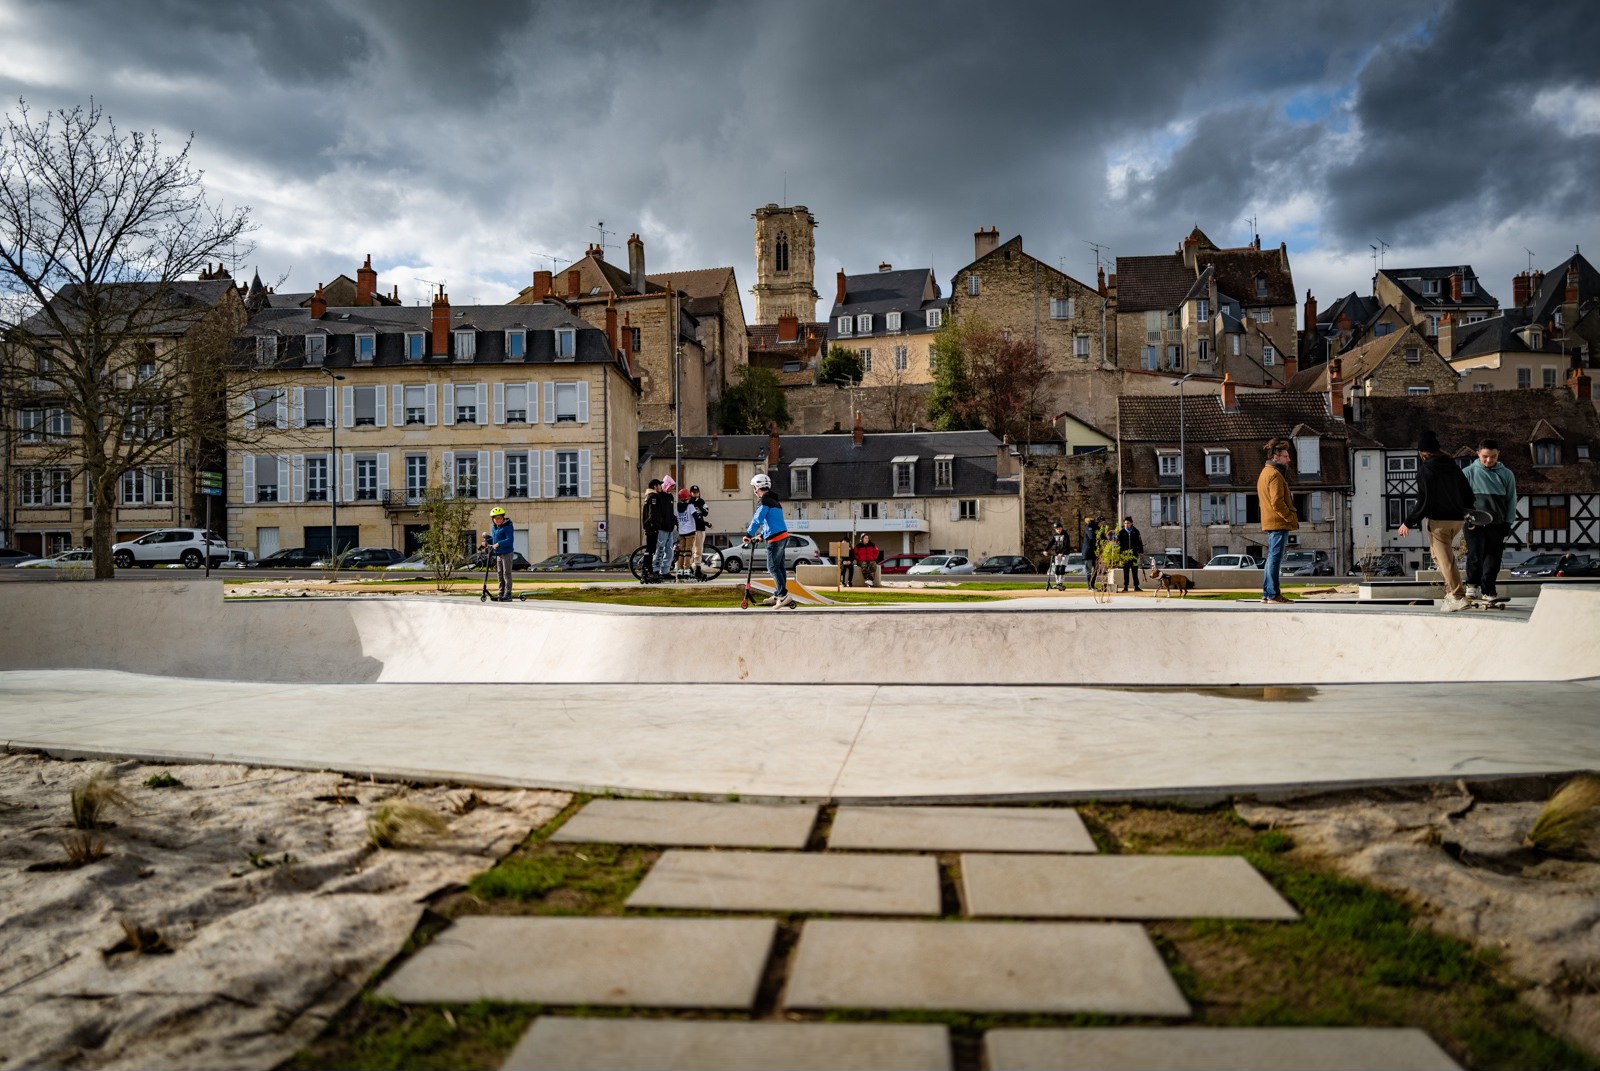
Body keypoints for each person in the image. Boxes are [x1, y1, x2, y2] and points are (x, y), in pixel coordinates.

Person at [1398, 428, 1474, 612]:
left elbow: (1424, 501)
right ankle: (1450, 592)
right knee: (1436, 555)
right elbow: (1469, 495)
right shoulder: (1454, 467)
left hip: (1439, 521)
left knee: (1445, 559)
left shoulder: (1426, 470)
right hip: (1457, 520)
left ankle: (1457, 596)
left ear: (1422, 454)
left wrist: (1408, 521)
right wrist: (1466, 512)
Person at [1462, 437, 1516, 604]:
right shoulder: (1468, 473)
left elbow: (1511, 500)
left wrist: (1508, 522)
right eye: (1485, 456)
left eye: (1493, 456)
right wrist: (1465, 516)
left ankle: (1489, 589)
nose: (1489, 460)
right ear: (1478, 453)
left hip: (1497, 523)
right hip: (1473, 523)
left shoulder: (1506, 474)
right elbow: (1461, 499)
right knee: (1474, 555)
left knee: (1493, 558)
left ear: (1498, 454)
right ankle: (1472, 585)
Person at [743, 473, 794, 608]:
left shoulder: (764, 501)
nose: (754, 491)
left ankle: (783, 595)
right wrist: (761, 536)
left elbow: (757, 519)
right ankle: (779, 593)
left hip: (776, 539)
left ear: (757, 488)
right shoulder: (775, 501)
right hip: (782, 536)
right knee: (779, 566)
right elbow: (771, 522)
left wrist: (749, 534)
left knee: (772, 567)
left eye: (754, 487)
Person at [1257, 439, 1298, 604]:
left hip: (1270, 521)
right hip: (1278, 522)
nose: (1288, 459)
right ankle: (1273, 595)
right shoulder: (1275, 475)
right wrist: (1288, 517)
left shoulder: (1265, 472)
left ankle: (1267, 594)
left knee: (1271, 558)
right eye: (1285, 456)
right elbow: (1277, 502)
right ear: (1276, 457)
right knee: (1275, 558)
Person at [641, 478, 675, 582]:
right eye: (659, 485)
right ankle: (653, 571)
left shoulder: (655, 496)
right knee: (656, 550)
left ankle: (655, 572)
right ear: (655, 486)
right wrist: (656, 525)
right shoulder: (655, 496)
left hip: (665, 527)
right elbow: (653, 514)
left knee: (662, 551)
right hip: (657, 528)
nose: (661, 486)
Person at [484, 506, 515, 601]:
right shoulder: (495, 528)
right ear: (492, 519)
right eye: (495, 518)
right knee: (499, 574)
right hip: (498, 554)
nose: (497, 520)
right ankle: (501, 593)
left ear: (503, 518)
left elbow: (510, 540)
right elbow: (494, 540)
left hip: (507, 553)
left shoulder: (508, 527)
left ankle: (508, 593)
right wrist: (487, 540)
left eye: (499, 518)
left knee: (506, 573)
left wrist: (499, 544)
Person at [1116, 516, 1145, 592]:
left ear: (1131, 523)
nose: (1126, 524)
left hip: (1134, 554)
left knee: (1134, 570)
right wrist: (1119, 553)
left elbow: (1140, 542)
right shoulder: (1121, 532)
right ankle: (1125, 586)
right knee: (1125, 571)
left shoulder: (1136, 531)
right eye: (1125, 523)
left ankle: (1136, 586)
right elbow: (1118, 543)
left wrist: (1141, 552)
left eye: (1128, 523)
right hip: (1125, 555)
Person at [675, 488, 698, 575]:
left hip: (681, 532)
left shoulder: (677, 507)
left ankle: (680, 569)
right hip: (690, 531)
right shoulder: (690, 506)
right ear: (688, 497)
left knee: (682, 551)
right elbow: (696, 518)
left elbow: (676, 519)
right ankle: (687, 569)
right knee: (688, 551)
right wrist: (707, 524)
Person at [688, 485, 711, 572]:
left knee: (699, 549)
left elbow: (706, 512)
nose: (695, 494)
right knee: (690, 548)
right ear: (690, 493)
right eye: (693, 492)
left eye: (697, 492)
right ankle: (688, 566)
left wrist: (700, 506)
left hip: (700, 528)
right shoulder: (689, 502)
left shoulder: (701, 501)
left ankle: (697, 566)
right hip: (691, 528)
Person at [1081, 516, 1099, 589]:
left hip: (1093, 552)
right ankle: (1090, 586)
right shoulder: (1089, 527)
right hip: (1088, 552)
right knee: (1089, 570)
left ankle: (1092, 585)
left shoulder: (1095, 528)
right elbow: (1091, 536)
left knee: (1095, 570)